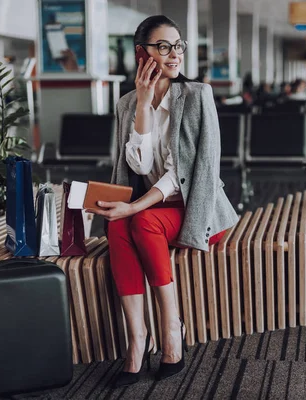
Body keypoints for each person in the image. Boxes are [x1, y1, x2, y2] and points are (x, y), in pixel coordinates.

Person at [86, 15, 239, 387]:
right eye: (163, 46)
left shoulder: (198, 95)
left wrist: (136, 206)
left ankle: (172, 328)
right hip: (152, 212)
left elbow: (192, 170)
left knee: (139, 220)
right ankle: (138, 338)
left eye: (178, 45)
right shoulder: (126, 105)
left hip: (198, 210)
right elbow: (136, 164)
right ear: (142, 53)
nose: (174, 54)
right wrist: (142, 104)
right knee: (119, 223)